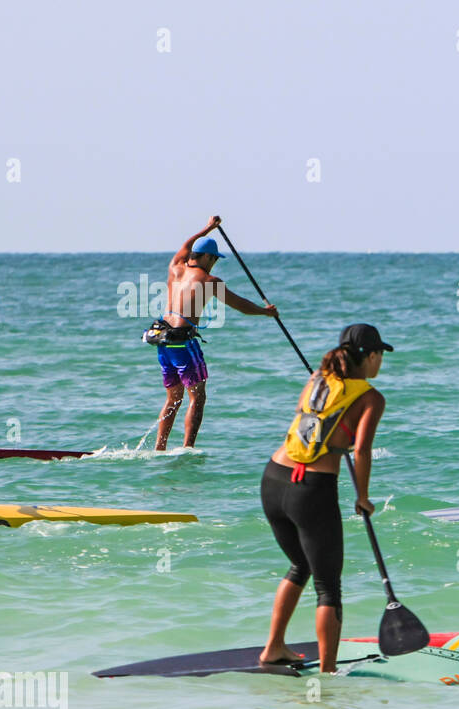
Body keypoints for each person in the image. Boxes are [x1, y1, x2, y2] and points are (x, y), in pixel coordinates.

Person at [259, 324, 391, 672]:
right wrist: (363, 497)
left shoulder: (317, 377)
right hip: (312, 490)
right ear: (371, 356)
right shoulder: (371, 397)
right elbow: (361, 450)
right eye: (380, 355)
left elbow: (317, 420)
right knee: (328, 586)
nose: (381, 363)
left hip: (273, 479)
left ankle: (273, 647)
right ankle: (328, 673)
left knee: (300, 565)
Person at [154, 216, 279, 450]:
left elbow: (185, 245)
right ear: (207, 257)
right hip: (183, 342)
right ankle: (187, 449)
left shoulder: (175, 266)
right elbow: (240, 305)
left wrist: (208, 228)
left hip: (163, 340)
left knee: (173, 398)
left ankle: (159, 448)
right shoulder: (210, 280)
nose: (214, 264)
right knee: (197, 397)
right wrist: (265, 312)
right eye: (213, 259)